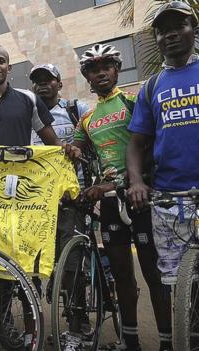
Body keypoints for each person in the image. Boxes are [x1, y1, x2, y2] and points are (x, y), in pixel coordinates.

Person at [0, 44, 80, 351]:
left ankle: (31, 329)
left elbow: (51, 142)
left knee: (26, 261)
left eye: (1, 61)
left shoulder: (29, 99)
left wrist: (66, 152)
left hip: (25, 196)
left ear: (9, 68)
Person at [73, 43, 172, 351]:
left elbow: (150, 144)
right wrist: (72, 150)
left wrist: (136, 180)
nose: (100, 73)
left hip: (141, 196)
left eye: (106, 67)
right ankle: (131, 342)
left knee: (154, 277)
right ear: (87, 78)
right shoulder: (87, 118)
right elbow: (77, 151)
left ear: (117, 70)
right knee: (121, 277)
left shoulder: (134, 101)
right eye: (93, 70)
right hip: (111, 203)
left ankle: (167, 343)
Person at [126, 1, 199, 288]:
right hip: (169, 197)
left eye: (179, 26)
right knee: (179, 287)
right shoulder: (151, 86)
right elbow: (135, 144)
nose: (170, 35)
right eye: (162, 30)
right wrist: (135, 181)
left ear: (193, 28)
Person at [29, 64, 91, 345]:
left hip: (70, 199)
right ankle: (34, 323)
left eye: (48, 80)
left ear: (59, 84)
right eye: (37, 82)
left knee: (72, 264)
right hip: (35, 201)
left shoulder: (77, 110)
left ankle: (77, 324)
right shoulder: (26, 114)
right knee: (39, 262)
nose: (43, 86)